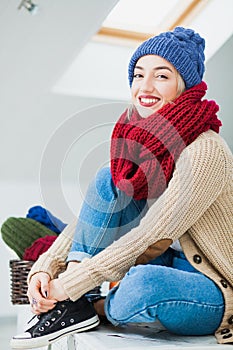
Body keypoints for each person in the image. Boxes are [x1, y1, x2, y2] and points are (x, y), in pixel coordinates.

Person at [11, 26, 233, 349]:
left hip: (212, 285)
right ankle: (75, 304)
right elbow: (96, 213)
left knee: (143, 286)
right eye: (138, 74)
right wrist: (47, 266)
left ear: (185, 87)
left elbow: (151, 234)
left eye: (161, 76)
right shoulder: (138, 138)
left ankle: (91, 306)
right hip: (161, 262)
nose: (145, 87)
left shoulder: (205, 151)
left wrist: (67, 285)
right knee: (106, 178)